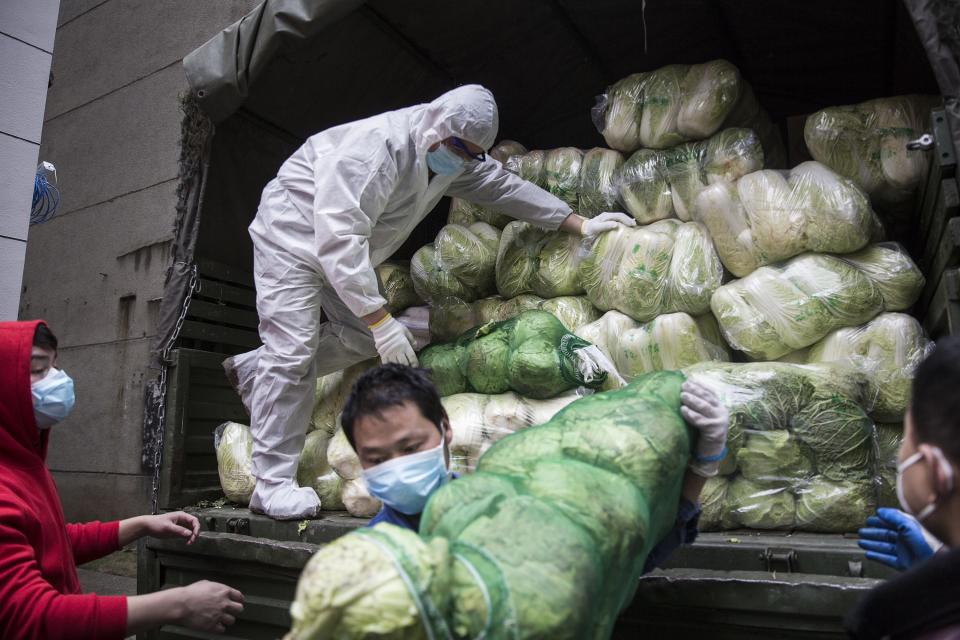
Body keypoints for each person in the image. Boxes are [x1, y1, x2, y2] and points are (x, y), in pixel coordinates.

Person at [234, 83, 636, 519]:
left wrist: (577, 223)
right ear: (436, 128)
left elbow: (500, 186)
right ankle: (270, 485)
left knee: (359, 338)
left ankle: (261, 369)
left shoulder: (447, 153)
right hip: (293, 238)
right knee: (296, 350)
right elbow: (337, 240)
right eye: (460, 149)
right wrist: (382, 319)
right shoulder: (373, 151)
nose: (463, 159)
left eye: (471, 153)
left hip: (349, 252)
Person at [339, 364, 729, 571]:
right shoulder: (365, 560)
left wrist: (700, 466)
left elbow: (623, 560)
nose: (399, 467)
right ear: (360, 461)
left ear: (445, 427)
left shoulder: (509, 507)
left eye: (411, 446)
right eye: (377, 459)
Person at [0, 321, 245, 638]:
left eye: (54, 367)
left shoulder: (24, 463)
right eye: (37, 369)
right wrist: (177, 605)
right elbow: (34, 618)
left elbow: (52, 543)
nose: (57, 381)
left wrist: (140, 525)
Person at [846, 337, 960, 639]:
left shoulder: (899, 623)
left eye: (906, 440)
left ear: (938, 471)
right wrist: (936, 565)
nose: (898, 456)